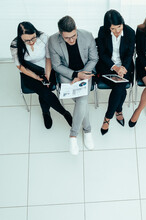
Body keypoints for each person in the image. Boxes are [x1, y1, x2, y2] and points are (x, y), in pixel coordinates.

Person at [48, 16, 98, 155]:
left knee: (81, 98)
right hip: (66, 74)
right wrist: (75, 75)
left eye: (74, 36)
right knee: (82, 99)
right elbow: (57, 65)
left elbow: (94, 58)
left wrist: (82, 74)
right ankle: (87, 130)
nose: (71, 40)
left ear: (76, 29)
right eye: (67, 38)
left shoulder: (87, 36)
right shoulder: (53, 40)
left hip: (86, 72)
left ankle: (73, 135)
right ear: (60, 34)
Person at [10, 22, 72, 129]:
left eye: (33, 38)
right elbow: (20, 66)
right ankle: (64, 113)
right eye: (27, 40)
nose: (31, 42)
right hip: (29, 72)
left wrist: (46, 75)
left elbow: (48, 58)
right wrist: (37, 77)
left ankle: (46, 112)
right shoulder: (15, 45)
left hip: (46, 68)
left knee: (44, 89)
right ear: (21, 38)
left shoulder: (43, 37)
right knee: (43, 90)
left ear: (35, 32)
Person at [96, 10, 135, 135]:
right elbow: (101, 54)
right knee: (120, 88)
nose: (117, 31)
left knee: (120, 87)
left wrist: (123, 67)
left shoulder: (130, 32)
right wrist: (115, 67)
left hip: (125, 66)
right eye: (113, 28)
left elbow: (130, 54)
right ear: (108, 27)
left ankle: (107, 119)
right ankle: (118, 111)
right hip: (107, 66)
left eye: (119, 27)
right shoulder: (102, 31)